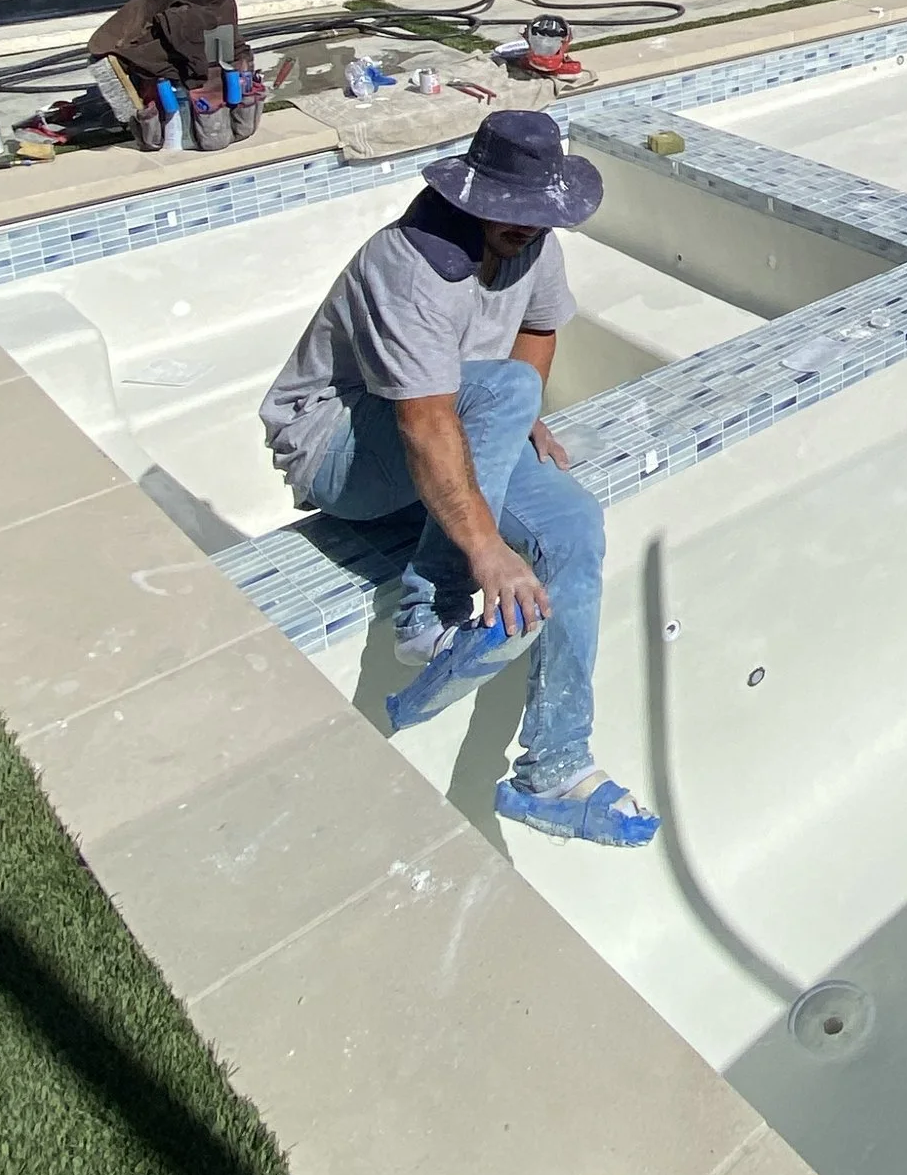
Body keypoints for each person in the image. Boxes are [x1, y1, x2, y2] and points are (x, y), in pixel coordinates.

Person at [258, 107, 655, 847]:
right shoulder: (412, 265)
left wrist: (519, 414)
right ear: (473, 194)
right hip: (336, 448)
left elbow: (537, 328)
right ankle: (425, 614)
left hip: (448, 425)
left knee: (573, 524)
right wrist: (483, 550)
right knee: (505, 391)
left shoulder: (533, 241)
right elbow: (423, 422)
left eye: (538, 212)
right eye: (512, 209)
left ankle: (553, 770)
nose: (526, 226)